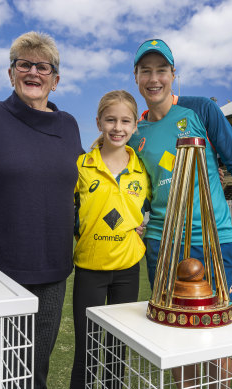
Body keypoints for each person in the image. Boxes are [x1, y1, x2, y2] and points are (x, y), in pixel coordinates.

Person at [129, 38, 232, 388]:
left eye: (161, 70)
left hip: (215, 240)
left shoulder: (200, 109)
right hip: (163, 243)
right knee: (175, 331)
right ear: (136, 77)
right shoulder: (135, 133)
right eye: (146, 71)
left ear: (174, 74)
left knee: (216, 336)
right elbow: (137, 190)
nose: (154, 78)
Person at [0, 31, 83, 389]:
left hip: (53, 270)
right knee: (1, 370)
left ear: (55, 79)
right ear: (11, 73)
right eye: (24, 64)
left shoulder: (68, 126)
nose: (33, 72)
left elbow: (82, 190)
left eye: (43, 66)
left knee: (36, 369)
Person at [70, 90, 151, 389]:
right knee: (87, 351)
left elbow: (154, 207)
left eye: (125, 121)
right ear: (99, 122)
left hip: (128, 270)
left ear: (134, 126)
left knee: (118, 352)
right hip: (90, 268)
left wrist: (145, 221)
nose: (118, 127)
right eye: (111, 120)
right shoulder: (81, 165)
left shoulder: (142, 169)